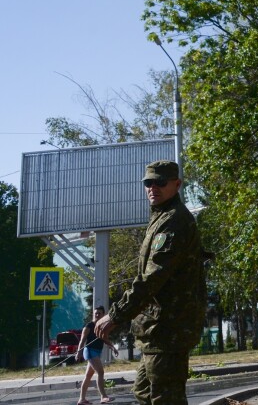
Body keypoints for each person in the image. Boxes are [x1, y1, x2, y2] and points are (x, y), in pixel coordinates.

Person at [95, 160, 207, 405]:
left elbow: (152, 278)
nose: (152, 187)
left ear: (176, 185)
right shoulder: (161, 218)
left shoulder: (174, 221)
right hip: (156, 331)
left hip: (168, 329)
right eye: (148, 182)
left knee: (164, 399)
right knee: (145, 394)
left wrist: (116, 315)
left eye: (160, 182)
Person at [76, 305, 118, 405]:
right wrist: (79, 352)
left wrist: (112, 347)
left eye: (99, 313)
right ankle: (103, 396)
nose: (97, 315)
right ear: (93, 314)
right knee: (100, 372)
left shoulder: (102, 326)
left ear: (103, 315)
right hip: (90, 351)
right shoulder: (89, 326)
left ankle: (81, 399)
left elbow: (105, 338)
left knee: (88, 376)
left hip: (97, 352)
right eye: (96, 313)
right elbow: (82, 340)